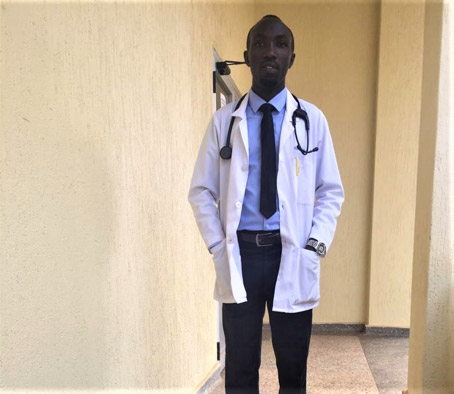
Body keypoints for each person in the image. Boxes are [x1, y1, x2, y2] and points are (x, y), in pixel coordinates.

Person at [188, 15, 344, 394]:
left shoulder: (313, 121)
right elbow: (201, 192)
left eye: (280, 44)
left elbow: (331, 191)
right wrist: (215, 246)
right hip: (240, 254)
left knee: (293, 368)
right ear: (247, 55)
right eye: (260, 43)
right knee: (240, 368)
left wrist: (314, 246)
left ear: (292, 57)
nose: (270, 51)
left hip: (291, 252)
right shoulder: (224, 122)